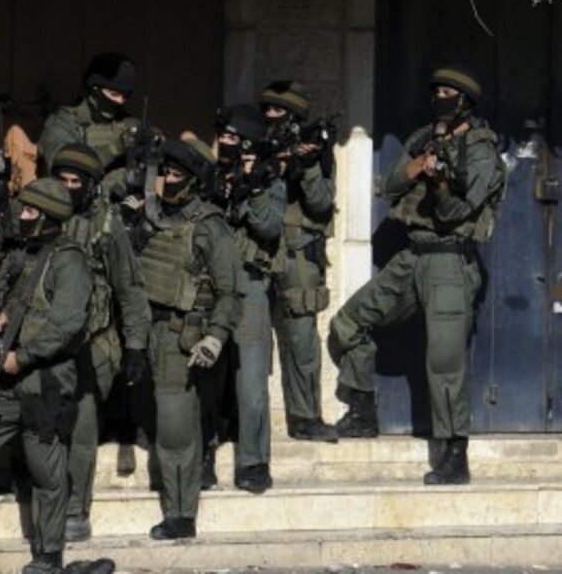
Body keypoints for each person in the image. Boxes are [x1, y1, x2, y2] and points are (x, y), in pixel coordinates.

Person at [328, 66, 504, 485]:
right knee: (348, 321)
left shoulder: (481, 153)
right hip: (412, 256)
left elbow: (455, 212)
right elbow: (387, 185)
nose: (440, 98)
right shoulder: (423, 139)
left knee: (444, 362)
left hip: (449, 262)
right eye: (436, 91)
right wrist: (419, 167)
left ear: (465, 103)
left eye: (449, 93)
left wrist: (441, 182)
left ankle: (453, 454)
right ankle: (363, 408)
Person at [128, 139, 242, 540]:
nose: (168, 181)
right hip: (148, 334)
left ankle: (181, 515)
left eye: (177, 176)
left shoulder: (210, 226)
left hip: (184, 339)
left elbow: (231, 292)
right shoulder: (148, 217)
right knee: (156, 426)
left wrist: (214, 338)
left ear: (195, 181)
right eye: (165, 174)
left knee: (177, 431)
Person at [46, 143, 152, 543]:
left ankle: (76, 510)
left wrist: (137, 346)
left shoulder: (106, 224)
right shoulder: (38, 212)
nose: (69, 188)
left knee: (82, 426)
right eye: (63, 180)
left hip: (93, 343)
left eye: (77, 182)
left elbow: (129, 288)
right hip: (42, 343)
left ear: (90, 186)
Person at [0, 179, 92, 574]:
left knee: (47, 467)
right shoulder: (35, 254)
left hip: (45, 378)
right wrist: (6, 319)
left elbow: (66, 322)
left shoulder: (68, 259)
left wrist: (25, 354)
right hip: (14, 374)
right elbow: (24, 301)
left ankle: (49, 554)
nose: (23, 216)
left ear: (47, 216)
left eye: (30, 211)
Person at [258, 82, 340, 443]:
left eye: (278, 111)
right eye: (268, 110)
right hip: (257, 247)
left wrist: (306, 165)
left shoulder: (316, 151)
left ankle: (305, 416)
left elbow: (321, 203)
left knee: (302, 338)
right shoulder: (258, 143)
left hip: (297, 253)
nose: (270, 116)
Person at [212, 105, 286, 494]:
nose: (222, 142)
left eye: (229, 137)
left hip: (251, 287)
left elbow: (269, 225)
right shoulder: (209, 176)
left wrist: (252, 187)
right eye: (221, 136)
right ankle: (203, 455)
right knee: (203, 378)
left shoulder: (271, 184)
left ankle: (254, 461)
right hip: (208, 287)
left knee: (253, 382)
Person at [37, 52, 151, 200]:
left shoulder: (128, 123)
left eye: (125, 96)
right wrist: (117, 147)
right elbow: (69, 166)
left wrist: (155, 147)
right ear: (95, 89)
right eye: (114, 94)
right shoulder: (63, 123)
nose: (121, 101)